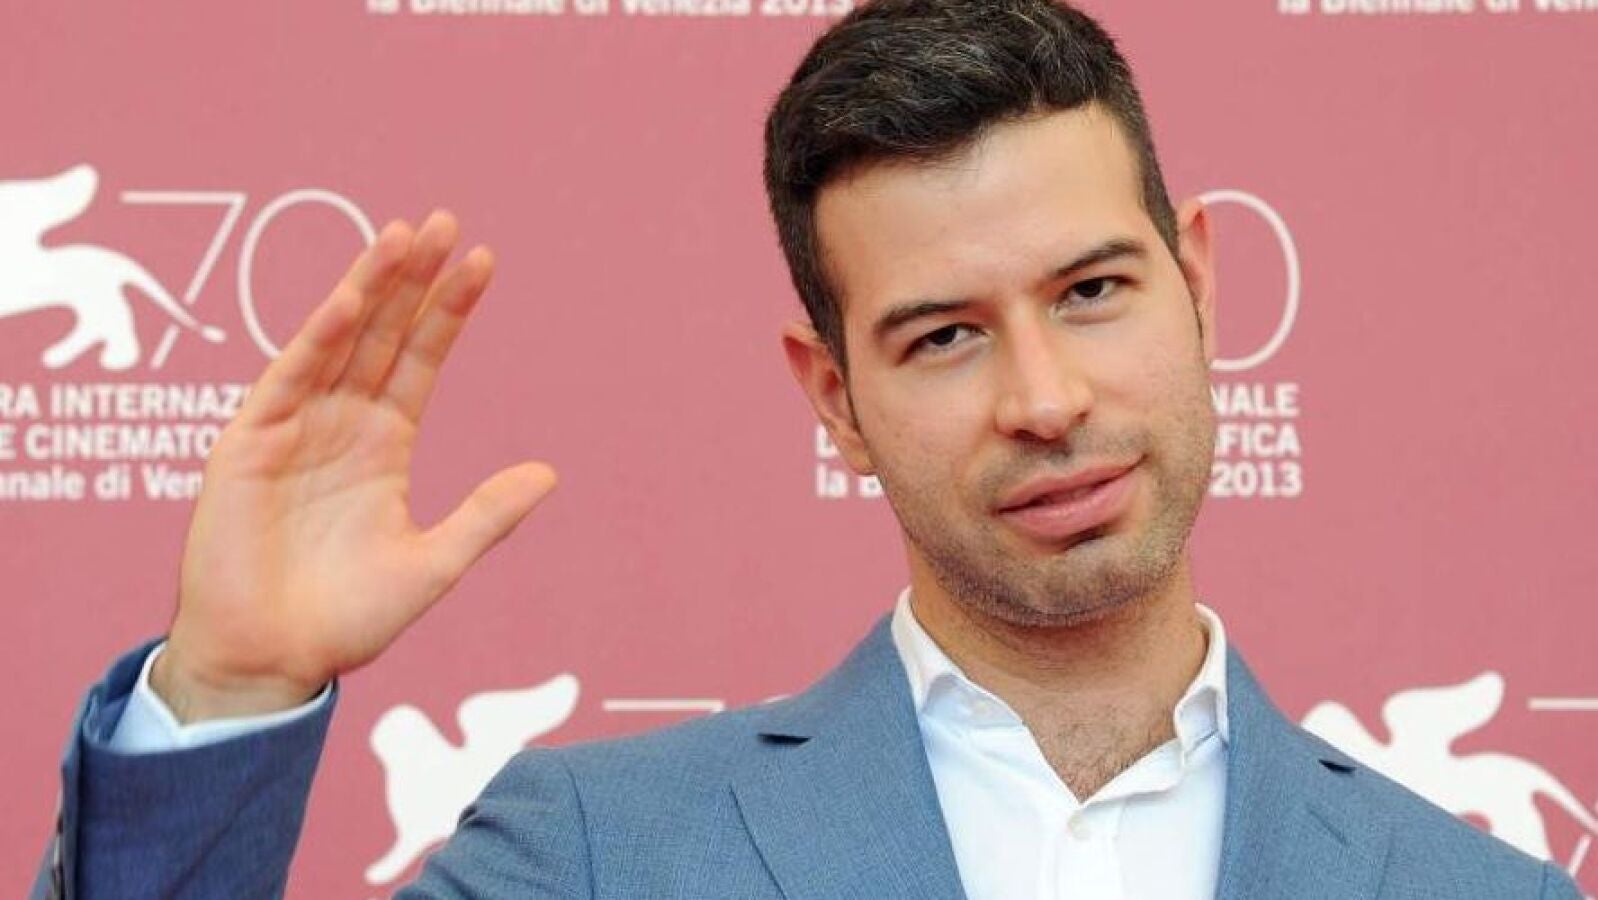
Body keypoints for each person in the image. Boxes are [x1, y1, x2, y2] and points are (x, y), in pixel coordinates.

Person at [35, 1, 1584, 897]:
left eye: (1091, 292)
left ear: (1197, 285)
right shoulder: (600, 855)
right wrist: (227, 692)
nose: (1042, 397)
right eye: (943, 335)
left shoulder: (1473, 890)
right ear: (832, 394)